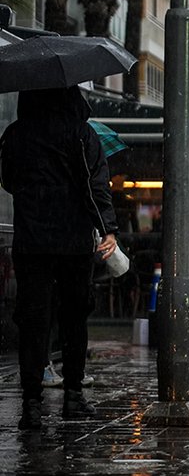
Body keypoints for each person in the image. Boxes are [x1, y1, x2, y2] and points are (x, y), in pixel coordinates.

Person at [0, 86, 117, 430]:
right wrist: (107, 228)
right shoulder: (81, 134)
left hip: (31, 241)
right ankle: (73, 397)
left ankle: (32, 404)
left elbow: (8, 181)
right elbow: (95, 185)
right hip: (73, 242)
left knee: (33, 320)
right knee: (74, 318)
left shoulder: (16, 134)